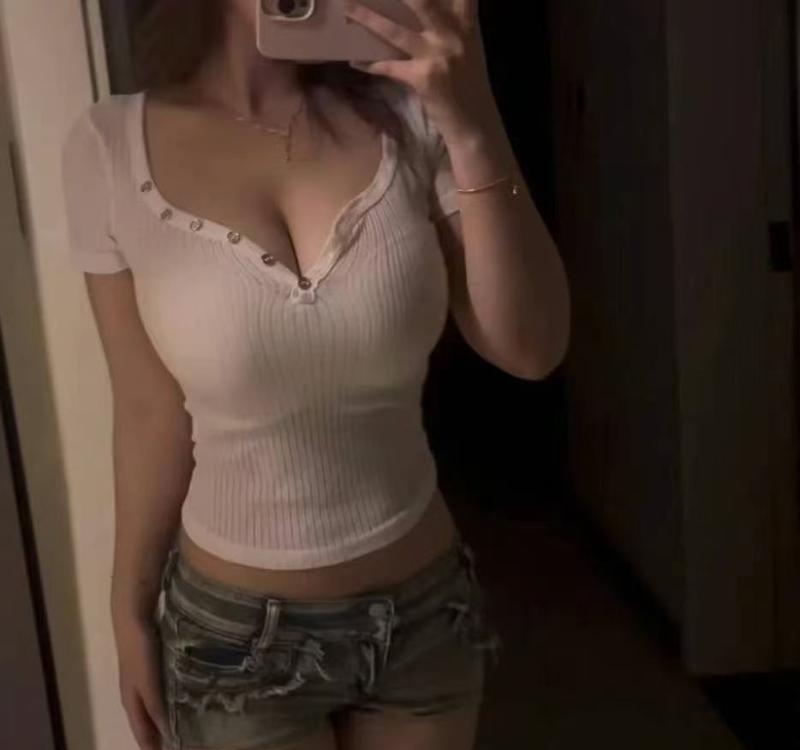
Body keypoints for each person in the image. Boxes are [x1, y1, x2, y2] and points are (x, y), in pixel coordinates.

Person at [60, 0, 569, 748]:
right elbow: (147, 410)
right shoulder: (109, 147)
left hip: (424, 620)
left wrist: (473, 121)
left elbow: (531, 347)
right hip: (233, 643)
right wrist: (127, 608)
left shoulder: (414, 115)